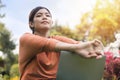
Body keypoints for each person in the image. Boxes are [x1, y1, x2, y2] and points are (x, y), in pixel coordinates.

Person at [19, 6, 104, 80]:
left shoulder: (57, 39)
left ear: (51, 22)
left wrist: (94, 48)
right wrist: (76, 48)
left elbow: (78, 44)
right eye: (39, 15)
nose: (44, 17)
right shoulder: (26, 39)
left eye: (48, 15)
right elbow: (46, 44)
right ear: (31, 24)